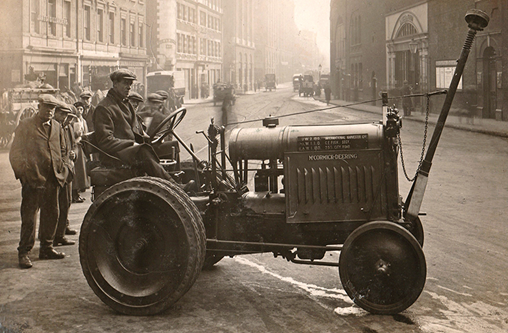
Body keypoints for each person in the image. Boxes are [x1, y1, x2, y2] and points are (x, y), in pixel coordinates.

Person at [9, 94, 69, 268]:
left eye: (53, 108)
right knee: (29, 217)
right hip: (33, 180)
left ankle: (47, 247)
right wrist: (24, 174)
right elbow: (16, 153)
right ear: (39, 106)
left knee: (52, 213)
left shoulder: (57, 127)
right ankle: (24, 252)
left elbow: (63, 150)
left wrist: (63, 170)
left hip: (53, 179)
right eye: (47, 107)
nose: (50, 111)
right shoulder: (26, 125)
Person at [93, 69, 177, 183]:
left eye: (130, 84)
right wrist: (132, 144)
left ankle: (177, 179)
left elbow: (135, 131)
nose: (128, 87)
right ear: (115, 84)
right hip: (115, 156)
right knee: (143, 151)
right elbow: (105, 141)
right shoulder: (104, 108)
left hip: (129, 151)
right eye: (125, 83)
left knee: (172, 145)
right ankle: (172, 184)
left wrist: (149, 139)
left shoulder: (126, 104)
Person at [52, 103, 77, 247]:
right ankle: (52, 237)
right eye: (63, 115)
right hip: (57, 171)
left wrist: (73, 156)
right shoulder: (54, 128)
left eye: (69, 116)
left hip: (67, 170)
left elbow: (71, 147)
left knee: (66, 202)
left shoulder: (68, 128)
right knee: (55, 205)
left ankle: (60, 234)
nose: (66, 119)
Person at [71, 102, 90, 203]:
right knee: (76, 171)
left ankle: (77, 192)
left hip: (81, 146)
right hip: (75, 146)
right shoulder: (73, 121)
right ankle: (74, 193)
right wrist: (77, 134)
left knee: (81, 171)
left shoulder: (83, 121)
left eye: (81, 109)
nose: (79, 111)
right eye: (78, 109)